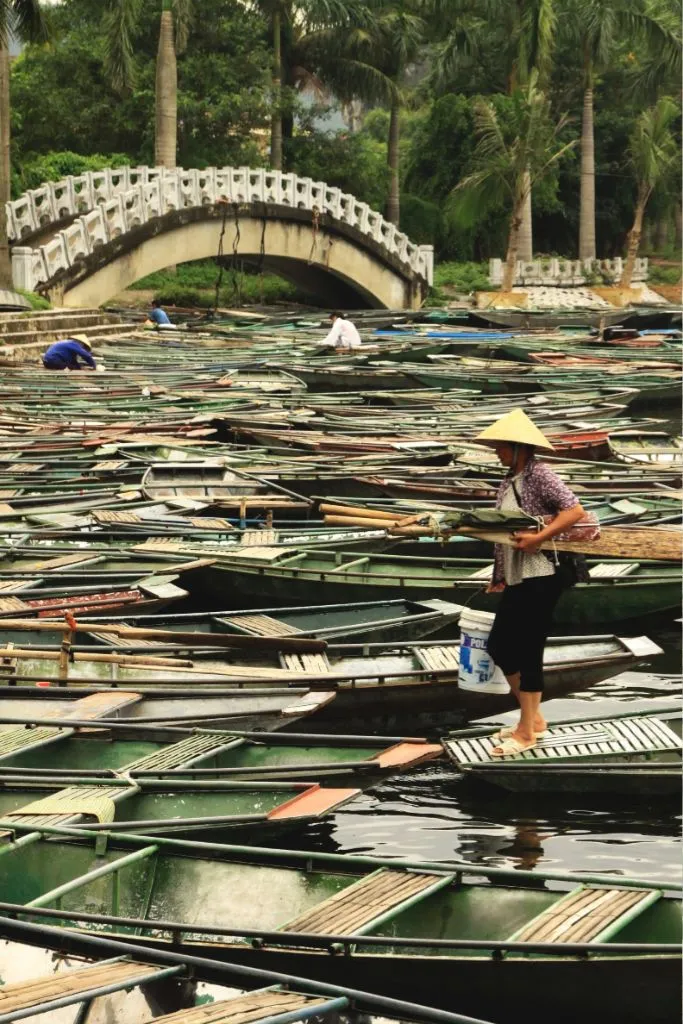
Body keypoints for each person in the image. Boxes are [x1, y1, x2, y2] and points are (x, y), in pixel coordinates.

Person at [474, 408, 585, 757]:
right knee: (500, 647)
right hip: (519, 575)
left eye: (502, 446)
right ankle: (532, 719)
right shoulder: (510, 479)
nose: (497, 452)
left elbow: (574, 511)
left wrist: (538, 539)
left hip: (542, 574)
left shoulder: (539, 474)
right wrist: (500, 576)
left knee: (527, 650)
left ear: (519, 447)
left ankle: (526, 732)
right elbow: (503, 531)